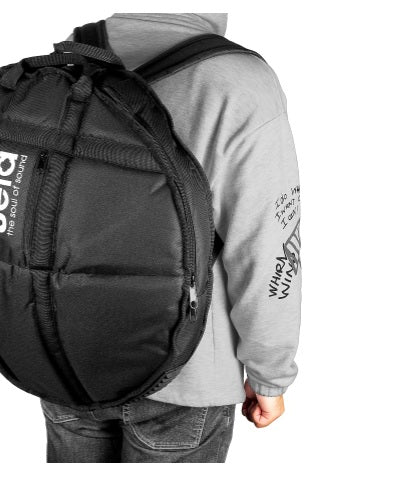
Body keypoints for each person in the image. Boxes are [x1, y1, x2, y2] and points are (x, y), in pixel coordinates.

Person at [40, 13, 301, 463]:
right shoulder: (239, 82)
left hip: (68, 359)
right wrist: (269, 375)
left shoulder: (72, 56)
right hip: (185, 376)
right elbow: (267, 244)